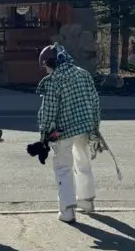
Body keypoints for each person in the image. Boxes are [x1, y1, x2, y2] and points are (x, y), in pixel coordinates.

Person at [37, 44, 101, 223]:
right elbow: (95, 102)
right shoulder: (83, 74)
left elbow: (49, 111)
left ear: (51, 63)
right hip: (85, 127)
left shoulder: (54, 80)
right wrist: (95, 126)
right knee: (84, 163)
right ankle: (87, 202)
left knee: (63, 168)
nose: (45, 71)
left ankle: (67, 211)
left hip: (62, 131)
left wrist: (44, 134)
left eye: (45, 66)